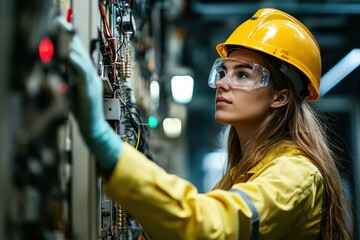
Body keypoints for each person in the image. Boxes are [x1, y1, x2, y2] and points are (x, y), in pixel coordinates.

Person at [55, 8, 354, 239]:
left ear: (280, 97)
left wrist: (105, 143)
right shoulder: (243, 171)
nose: (222, 84)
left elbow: (205, 226)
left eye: (243, 75)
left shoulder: (296, 176)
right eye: (223, 72)